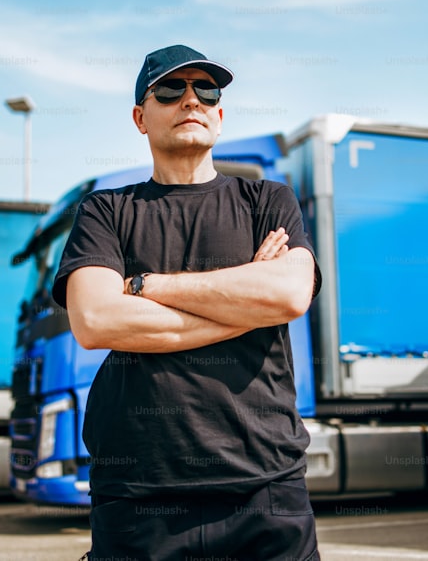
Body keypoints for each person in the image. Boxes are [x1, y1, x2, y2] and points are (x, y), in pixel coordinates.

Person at [54, 44, 321, 560]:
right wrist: (245, 302)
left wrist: (141, 284)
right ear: (140, 117)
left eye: (207, 91)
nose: (191, 101)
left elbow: (288, 294)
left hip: (266, 487)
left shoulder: (269, 200)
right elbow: (95, 321)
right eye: (171, 90)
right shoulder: (105, 211)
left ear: (219, 115)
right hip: (139, 494)